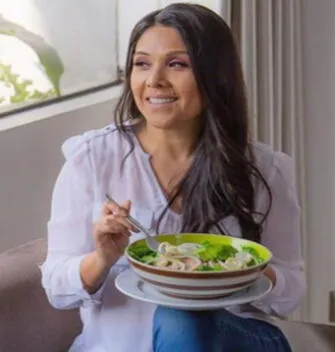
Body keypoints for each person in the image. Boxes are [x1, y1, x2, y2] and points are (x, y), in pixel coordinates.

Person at [40, 3, 306, 352]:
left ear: (215, 75)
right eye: (142, 64)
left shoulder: (264, 169)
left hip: (235, 341)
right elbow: (56, 287)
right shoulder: (92, 160)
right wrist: (102, 257)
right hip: (119, 345)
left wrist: (242, 270)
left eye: (177, 64)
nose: (154, 81)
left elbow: (291, 291)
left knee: (183, 317)